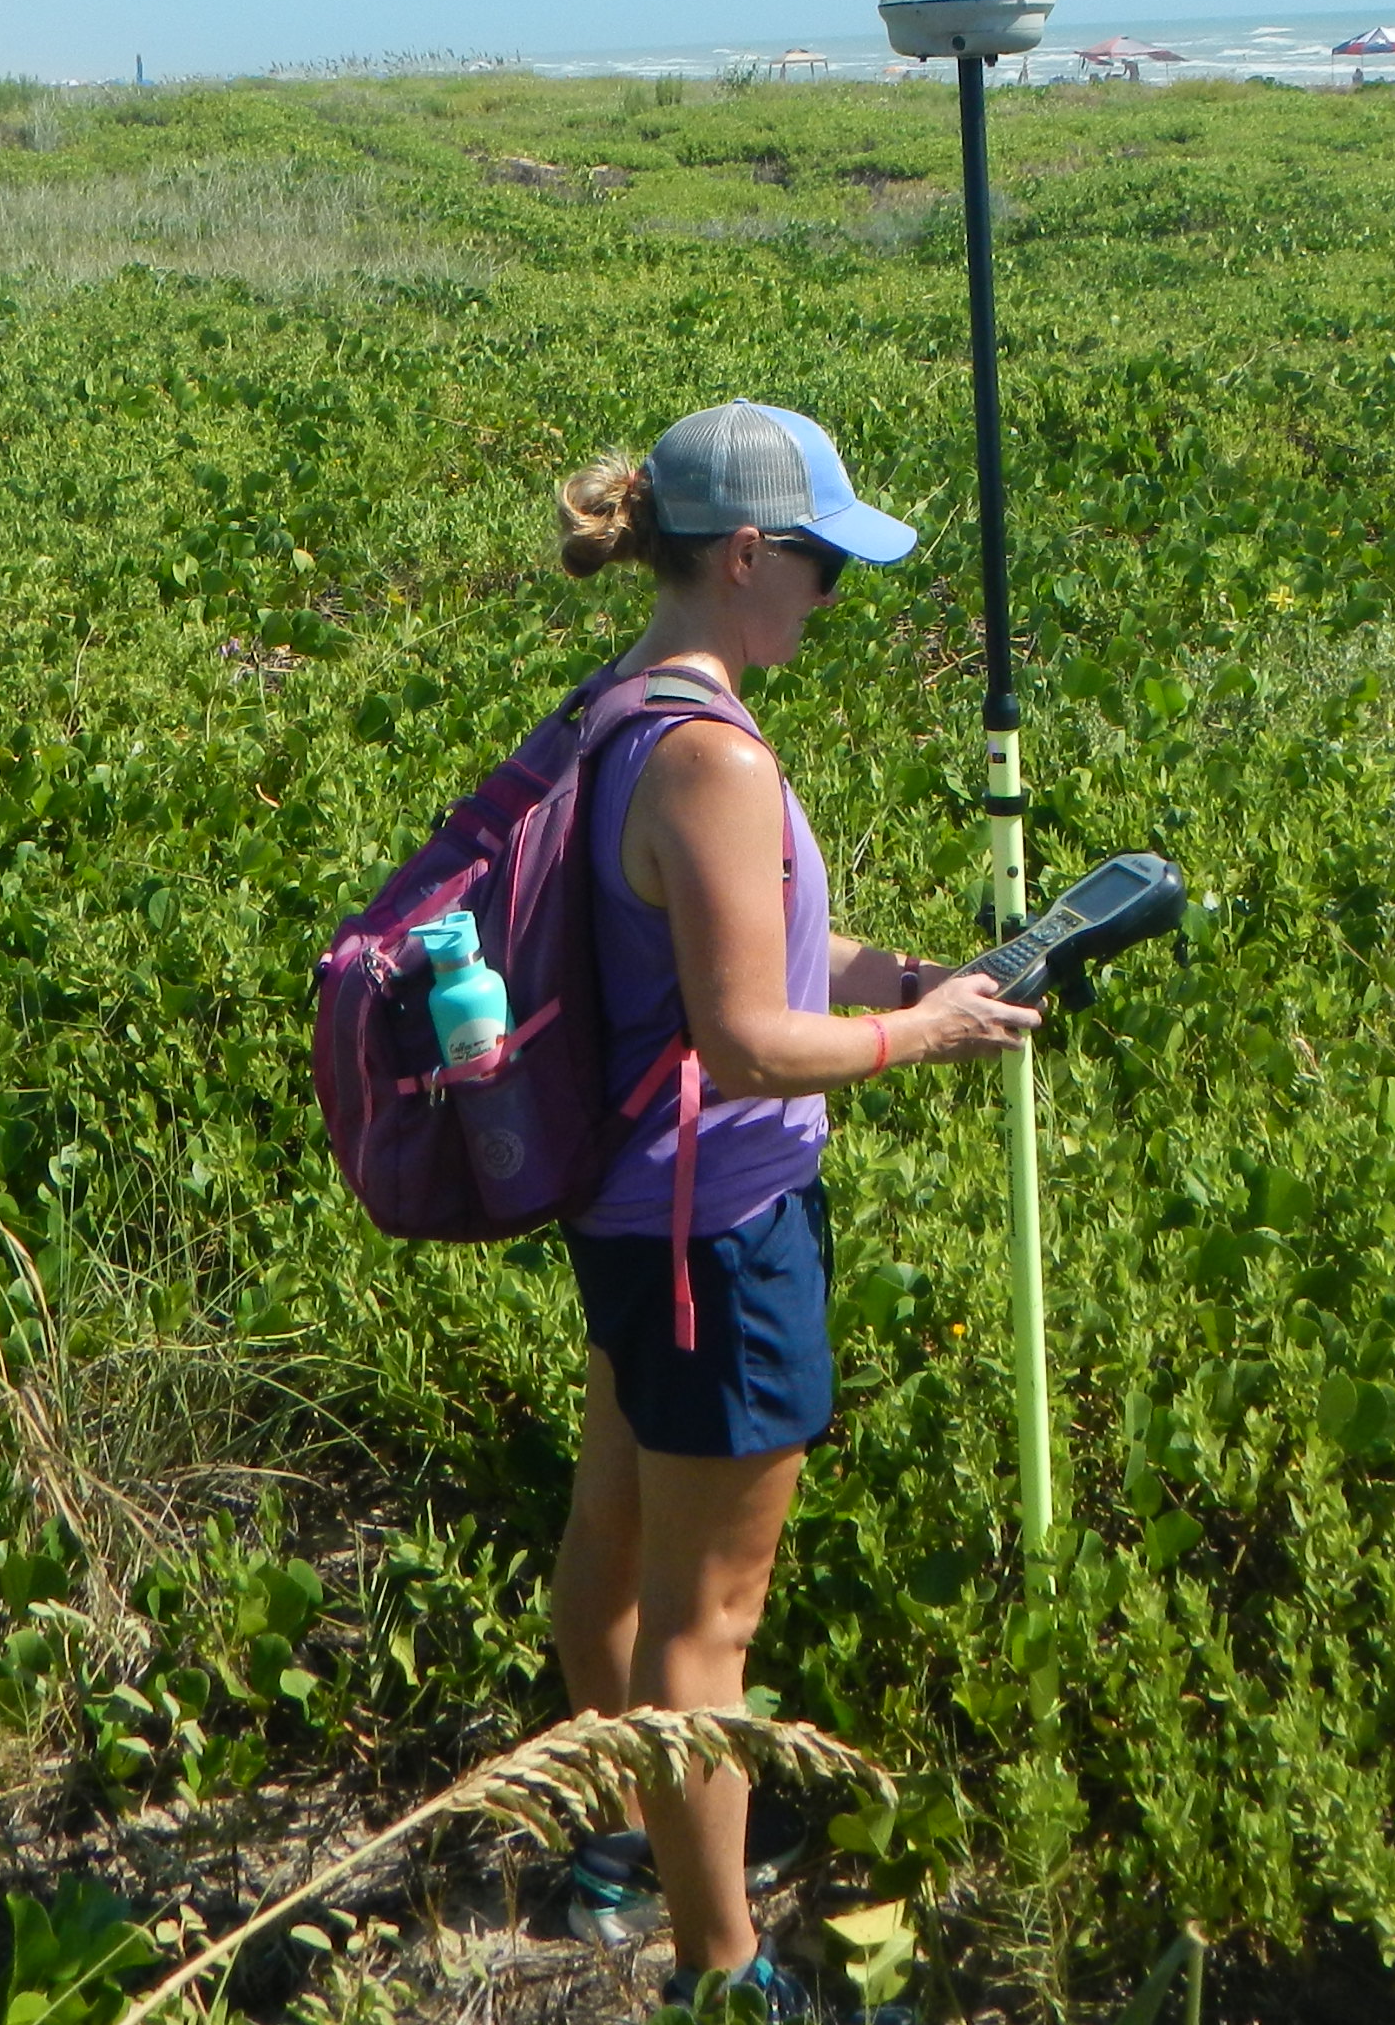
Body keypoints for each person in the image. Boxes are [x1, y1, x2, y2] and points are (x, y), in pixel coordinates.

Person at [542, 402, 1041, 2017]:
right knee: (710, 1630)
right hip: (722, 1232)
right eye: (822, 562)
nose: (833, 593)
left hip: (632, 1214)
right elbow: (746, 1038)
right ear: (745, 554)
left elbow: (724, 965)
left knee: (612, 1545)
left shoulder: (623, 707)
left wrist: (887, 975)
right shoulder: (716, 755)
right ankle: (724, 1978)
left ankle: (624, 1848)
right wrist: (928, 1033)